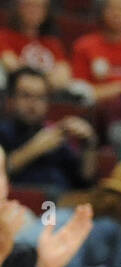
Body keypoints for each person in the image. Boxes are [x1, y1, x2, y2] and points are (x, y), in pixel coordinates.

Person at [1, 67, 97, 196]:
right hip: (22, 204)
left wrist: (89, 144)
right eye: (26, 96)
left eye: (41, 97)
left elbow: (84, 181)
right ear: (10, 100)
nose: (33, 104)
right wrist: (36, 148)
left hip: (61, 204)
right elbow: (4, 171)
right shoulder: (3, 133)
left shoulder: (54, 134)